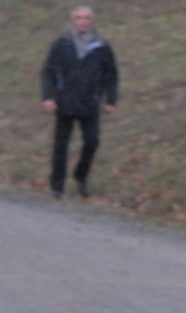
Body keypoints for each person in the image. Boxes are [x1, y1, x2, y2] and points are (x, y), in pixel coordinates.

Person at [40, 5, 117, 198]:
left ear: (92, 21)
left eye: (86, 18)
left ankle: (80, 177)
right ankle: (57, 186)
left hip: (90, 103)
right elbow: (48, 71)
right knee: (60, 146)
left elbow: (111, 74)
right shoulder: (61, 44)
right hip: (64, 102)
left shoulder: (102, 46)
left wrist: (111, 99)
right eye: (79, 18)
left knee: (92, 142)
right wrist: (48, 96)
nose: (82, 21)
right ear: (73, 21)